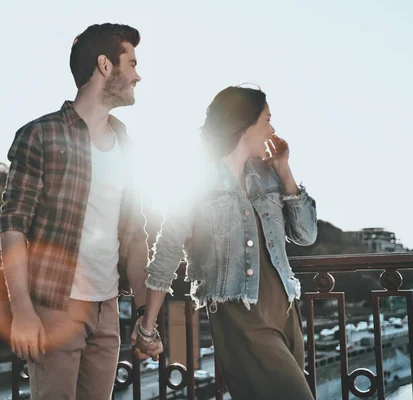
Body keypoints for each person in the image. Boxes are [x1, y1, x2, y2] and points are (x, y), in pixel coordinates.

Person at [132, 86, 318, 399]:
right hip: (241, 317)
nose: (272, 130)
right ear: (246, 125)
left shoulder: (268, 175)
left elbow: (305, 235)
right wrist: (147, 329)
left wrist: (285, 171)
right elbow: (166, 254)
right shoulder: (193, 182)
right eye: (267, 120)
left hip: (286, 311)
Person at [0, 23, 149, 400]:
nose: (138, 74)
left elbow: (134, 237)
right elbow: (13, 224)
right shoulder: (41, 135)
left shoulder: (127, 146)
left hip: (107, 310)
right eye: (131, 63)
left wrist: (146, 314)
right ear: (104, 66)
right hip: (55, 307)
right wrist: (23, 311)